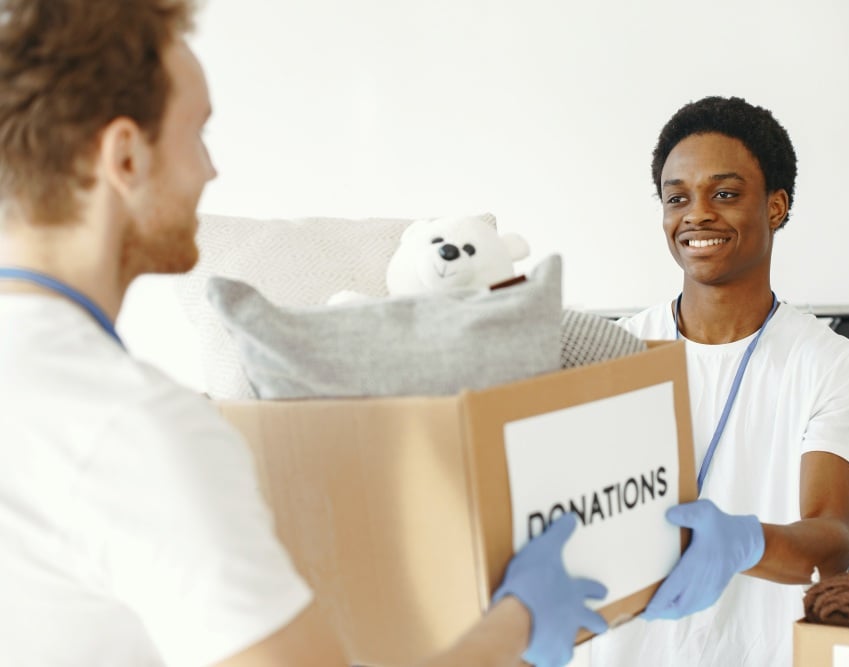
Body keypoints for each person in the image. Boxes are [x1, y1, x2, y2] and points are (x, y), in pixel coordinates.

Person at [0, 1, 607, 666]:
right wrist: (518, 619)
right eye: (197, 133)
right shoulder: (136, 429)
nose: (210, 169)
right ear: (125, 157)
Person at [589, 96, 849, 666]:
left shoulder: (833, 365)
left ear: (776, 207)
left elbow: (832, 541)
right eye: (677, 198)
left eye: (724, 194)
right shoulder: (609, 354)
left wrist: (742, 542)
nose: (696, 214)